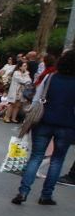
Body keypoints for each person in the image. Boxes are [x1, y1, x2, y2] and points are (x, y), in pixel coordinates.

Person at [12, 49, 75, 206]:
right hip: (67, 125)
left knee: (36, 156)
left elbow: (37, 98)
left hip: (44, 121)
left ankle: (23, 191)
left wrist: (30, 117)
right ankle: (46, 195)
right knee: (57, 160)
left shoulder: (50, 77)